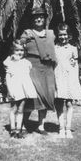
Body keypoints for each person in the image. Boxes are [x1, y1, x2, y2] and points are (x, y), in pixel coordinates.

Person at [20, 7, 57, 135]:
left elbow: (56, 48)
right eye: (36, 17)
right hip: (32, 67)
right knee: (32, 96)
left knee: (46, 96)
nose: (39, 18)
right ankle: (23, 124)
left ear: (45, 19)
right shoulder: (27, 33)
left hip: (47, 69)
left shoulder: (51, 34)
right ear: (32, 19)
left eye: (41, 16)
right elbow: (18, 48)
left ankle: (40, 126)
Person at [54, 23, 81, 138]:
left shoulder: (73, 49)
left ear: (69, 35)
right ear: (57, 35)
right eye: (61, 35)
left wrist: (74, 83)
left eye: (65, 35)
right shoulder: (54, 48)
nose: (63, 37)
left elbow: (75, 66)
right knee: (59, 104)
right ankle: (61, 128)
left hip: (69, 80)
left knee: (69, 104)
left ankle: (68, 128)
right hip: (58, 79)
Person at [3, 40, 37, 138]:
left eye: (21, 50)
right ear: (12, 51)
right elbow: (8, 77)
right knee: (13, 109)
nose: (19, 52)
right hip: (14, 89)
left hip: (23, 90)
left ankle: (18, 130)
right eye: (17, 50)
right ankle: (12, 130)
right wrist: (10, 90)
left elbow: (28, 72)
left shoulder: (26, 62)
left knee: (21, 109)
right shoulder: (10, 63)